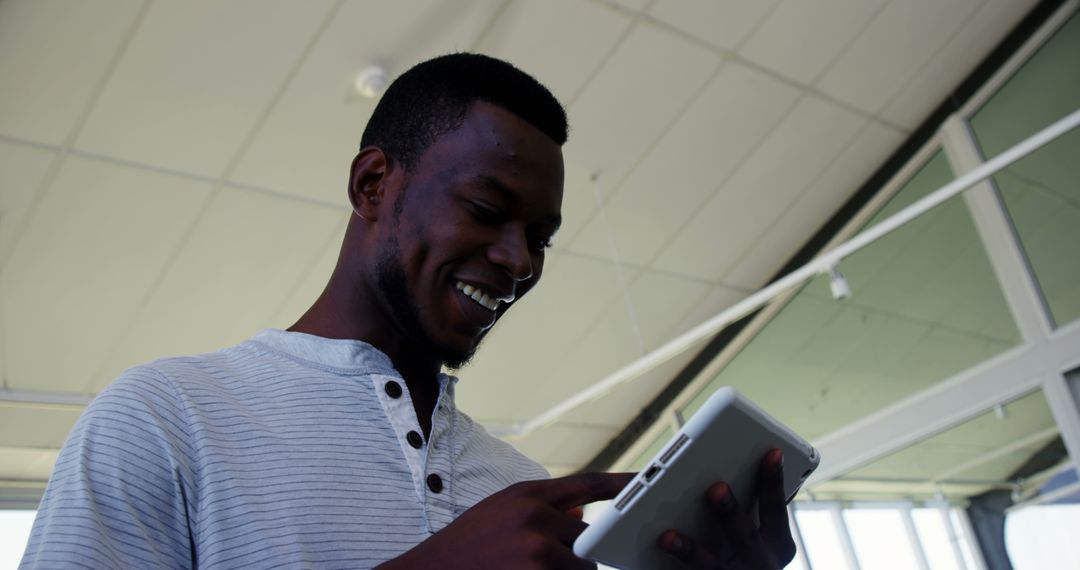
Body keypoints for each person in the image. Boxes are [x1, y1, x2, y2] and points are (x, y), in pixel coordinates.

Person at [21, 53, 795, 569]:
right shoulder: (165, 419)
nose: (519, 261)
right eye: (488, 209)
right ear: (372, 185)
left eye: (540, 238)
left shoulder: (518, 486)